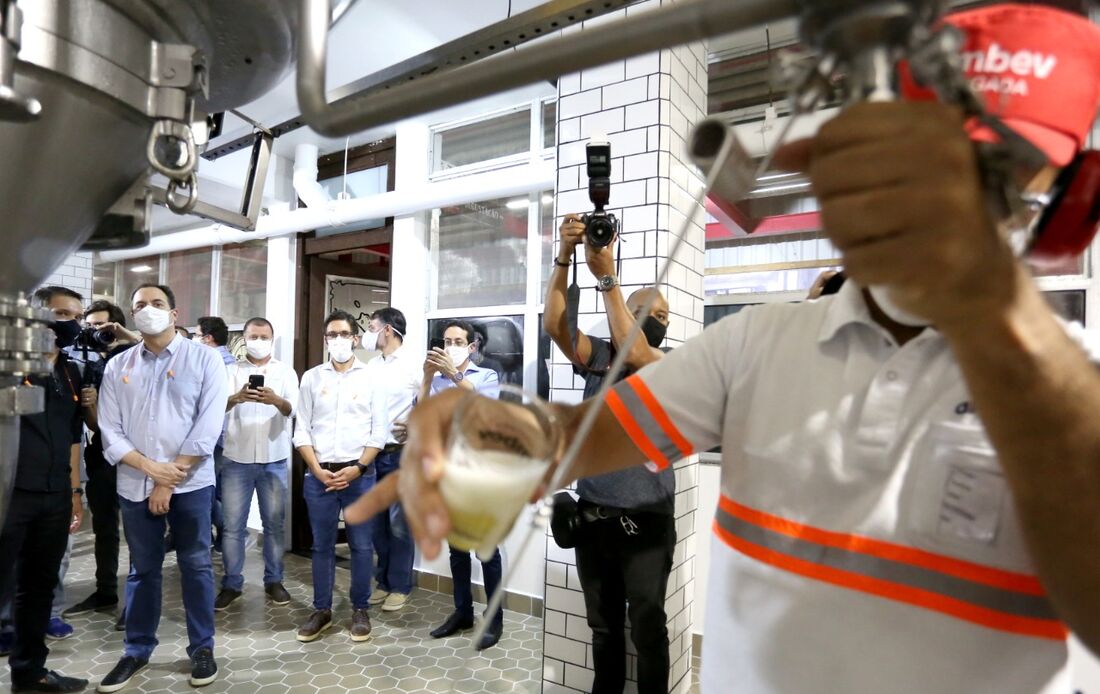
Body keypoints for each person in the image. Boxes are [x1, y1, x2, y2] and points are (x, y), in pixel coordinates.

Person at [348, 5, 1100, 692]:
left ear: (1072, 203)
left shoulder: (1071, 387)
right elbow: (576, 437)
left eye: (997, 175)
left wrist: (994, 312)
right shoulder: (757, 344)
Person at [543, 219, 675, 693]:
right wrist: (564, 256)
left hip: (646, 525)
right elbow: (556, 326)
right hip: (594, 523)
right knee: (603, 630)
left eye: (662, 316)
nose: (657, 319)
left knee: (648, 629)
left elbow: (637, 352)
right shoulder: (601, 358)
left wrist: (607, 277)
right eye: (647, 311)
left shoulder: (668, 366)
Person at [96, 284, 229, 691]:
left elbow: (208, 427)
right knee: (142, 570)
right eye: (140, 306)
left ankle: (202, 649)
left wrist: (169, 479)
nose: (148, 311)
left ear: (174, 313)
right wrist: (153, 471)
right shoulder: (118, 366)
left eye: (157, 304)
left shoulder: (204, 359)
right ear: (132, 316)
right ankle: (136, 650)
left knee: (196, 564)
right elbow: (110, 431)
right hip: (135, 483)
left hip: (190, 483)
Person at [0, 287, 87, 693]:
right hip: (9, 495)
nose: (69, 323)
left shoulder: (70, 371)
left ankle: (30, 673)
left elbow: (73, 435)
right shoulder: (9, 363)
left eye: (75, 316)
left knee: (37, 588)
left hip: (53, 495)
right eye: (61, 313)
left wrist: (74, 491)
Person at [292, 310, 378, 643]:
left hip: (359, 475)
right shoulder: (312, 378)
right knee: (322, 547)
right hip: (319, 476)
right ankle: (322, 610)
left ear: (355, 338)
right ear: (325, 339)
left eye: (344, 334)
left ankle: (360, 609)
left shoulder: (371, 377)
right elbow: (302, 430)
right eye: (332, 335)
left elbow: (378, 431)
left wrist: (357, 468)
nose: (338, 340)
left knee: (360, 546)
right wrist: (316, 469)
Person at [421, 320, 505, 650]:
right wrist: (428, 376)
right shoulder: (437, 379)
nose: (450, 346)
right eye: (446, 341)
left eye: (458, 341)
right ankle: (462, 612)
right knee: (457, 550)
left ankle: (494, 619)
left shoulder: (486, 377)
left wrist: (455, 376)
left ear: (471, 347)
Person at [214, 317, 298, 611]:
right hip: (236, 458)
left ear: (272, 340)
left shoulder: (285, 372)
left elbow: (292, 410)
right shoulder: (229, 371)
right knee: (232, 527)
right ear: (244, 338)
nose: (258, 341)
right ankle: (232, 583)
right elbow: (215, 409)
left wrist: (276, 400)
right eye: (253, 336)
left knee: (274, 525)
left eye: (264, 336)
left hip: (274, 459)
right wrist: (236, 397)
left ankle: (274, 580)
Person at [63, 299, 137, 631]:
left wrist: (127, 337)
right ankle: (106, 591)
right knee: (105, 528)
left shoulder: (135, 359)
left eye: (102, 327)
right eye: (89, 326)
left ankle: (137, 602)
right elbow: (92, 424)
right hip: (100, 453)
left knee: (138, 531)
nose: (95, 333)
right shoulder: (82, 361)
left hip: (135, 456)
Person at [362, 308, 421, 613]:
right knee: (377, 525)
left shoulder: (413, 365)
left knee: (400, 524)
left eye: (371, 327)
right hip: (371, 455)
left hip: (401, 456)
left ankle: (399, 585)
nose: (367, 333)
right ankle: (382, 581)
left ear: (386, 330)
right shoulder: (370, 366)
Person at [194, 316, 235, 554]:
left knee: (206, 491)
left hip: (213, 438)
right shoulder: (231, 362)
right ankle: (223, 536)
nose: (194, 340)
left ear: (207, 338)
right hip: (224, 438)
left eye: (197, 335)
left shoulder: (212, 362)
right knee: (217, 491)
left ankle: (225, 530)